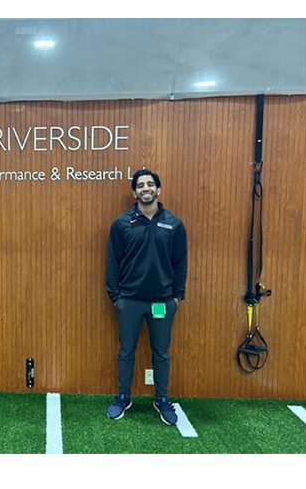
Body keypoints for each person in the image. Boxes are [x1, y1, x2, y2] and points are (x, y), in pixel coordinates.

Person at [105, 168, 188, 424]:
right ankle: (122, 396)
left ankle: (162, 399)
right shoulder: (122, 223)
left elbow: (180, 262)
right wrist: (115, 297)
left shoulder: (173, 224)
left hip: (162, 302)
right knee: (125, 351)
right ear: (134, 192)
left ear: (158, 189)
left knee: (161, 353)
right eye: (140, 185)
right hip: (129, 300)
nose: (145, 188)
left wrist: (177, 297)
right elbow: (113, 262)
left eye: (150, 184)